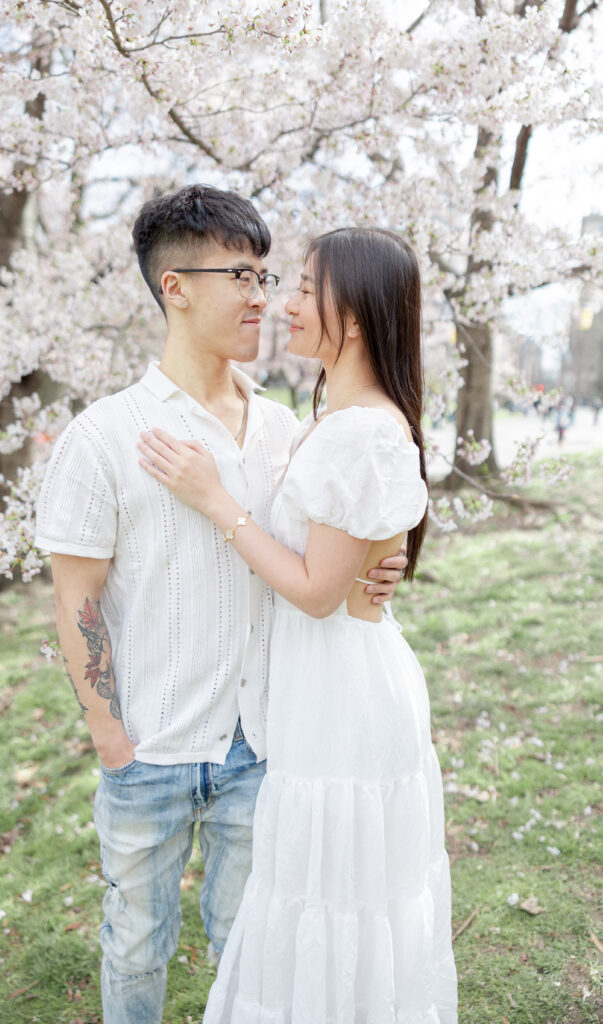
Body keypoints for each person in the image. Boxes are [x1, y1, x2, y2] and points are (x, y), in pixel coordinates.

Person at [34, 186, 406, 1024]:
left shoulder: (286, 429)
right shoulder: (102, 436)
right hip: (152, 749)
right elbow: (77, 597)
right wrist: (112, 741)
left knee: (253, 945)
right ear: (176, 288)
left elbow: (330, 543)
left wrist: (368, 577)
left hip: (263, 746)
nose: (261, 296)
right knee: (134, 945)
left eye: (266, 274)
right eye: (239, 274)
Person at [138, 227, 458, 1022]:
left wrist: (217, 501)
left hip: (345, 699)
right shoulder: (333, 417)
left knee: (335, 893)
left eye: (304, 288)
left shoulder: (359, 429)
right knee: (314, 894)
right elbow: (342, 557)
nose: (282, 303)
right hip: (326, 683)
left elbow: (316, 593)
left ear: (350, 315)